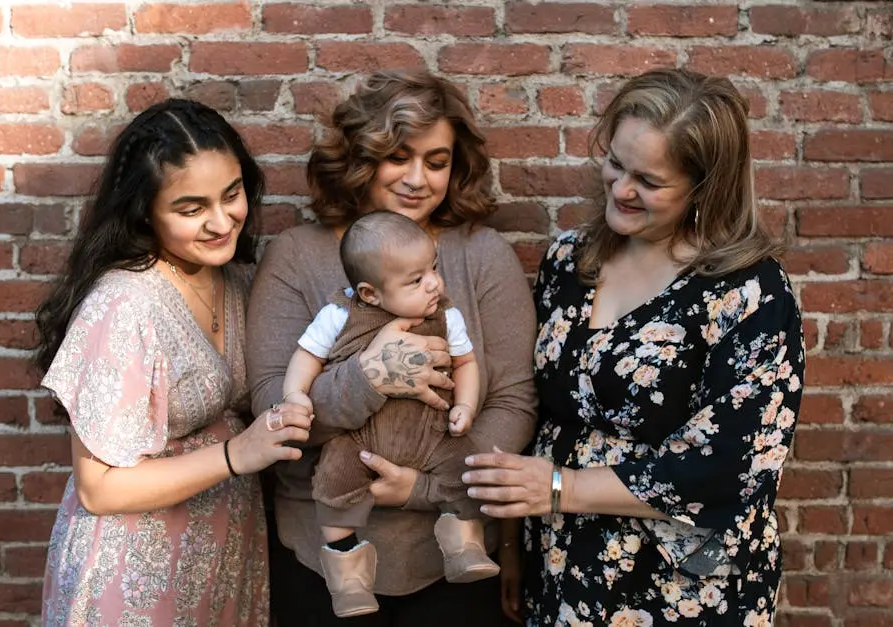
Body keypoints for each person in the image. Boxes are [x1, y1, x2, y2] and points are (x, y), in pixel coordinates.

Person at [463, 68, 805, 626]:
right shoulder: (571, 260)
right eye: (616, 164)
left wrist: (563, 486)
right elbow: (538, 410)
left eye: (648, 180)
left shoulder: (749, 291)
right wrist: (510, 545)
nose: (621, 189)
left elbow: (734, 463)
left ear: (703, 187)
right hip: (561, 559)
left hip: (681, 581)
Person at [247, 70, 537, 626]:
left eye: (437, 161)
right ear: (360, 158)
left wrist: (423, 488)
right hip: (319, 555)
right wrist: (369, 376)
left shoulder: (482, 255)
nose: (418, 179)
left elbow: (514, 403)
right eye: (398, 157)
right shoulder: (297, 256)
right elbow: (270, 404)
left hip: (453, 559)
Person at [33, 98, 312, 626]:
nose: (221, 221)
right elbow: (99, 488)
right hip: (133, 573)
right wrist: (236, 454)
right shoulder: (124, 303)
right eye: (191, 209)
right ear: (144, 212)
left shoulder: (234, 279)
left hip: (222, 553)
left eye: (232, 195)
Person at [283, 210, 497, 618]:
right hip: (359, 439)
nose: (433, 283)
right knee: (334, 483)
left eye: (433, 268)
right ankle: (347, 574)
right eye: (416, 280)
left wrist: (465, 406)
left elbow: (467, 362)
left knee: (465, 472)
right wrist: (295, 394)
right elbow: (306, 355)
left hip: (431, 433)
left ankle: (463, 544)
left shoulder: (446, 316)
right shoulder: (339, 314)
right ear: (369, 294)